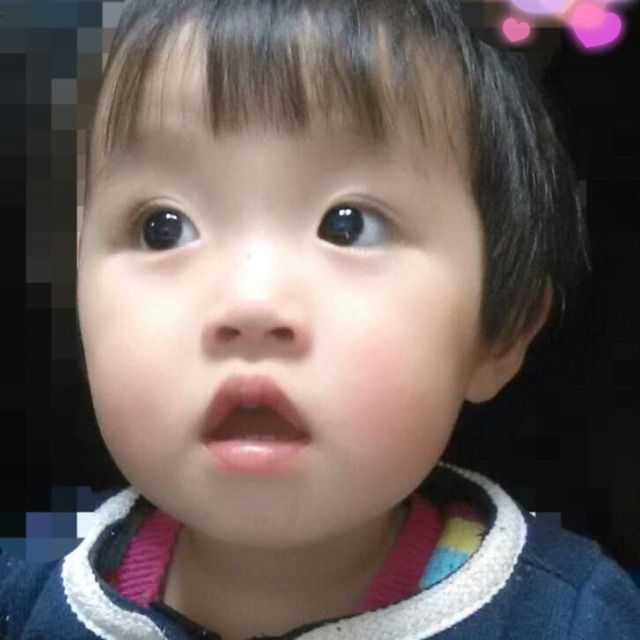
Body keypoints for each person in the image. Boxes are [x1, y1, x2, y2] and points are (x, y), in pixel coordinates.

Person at [2, 0, 639, 638]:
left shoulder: (575, 623)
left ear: (500, 331)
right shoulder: (26, 597)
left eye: (349, 226)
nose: (250, 304)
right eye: (161, 228)